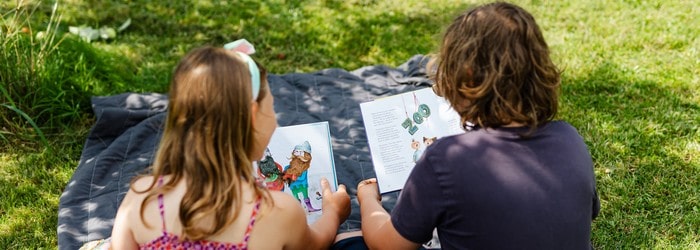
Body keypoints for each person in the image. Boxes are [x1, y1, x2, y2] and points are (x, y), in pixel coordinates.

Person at [357, 2, 600, 249]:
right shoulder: (571, 139)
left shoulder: (445, 159)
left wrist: (368, 201)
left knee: (348, 241)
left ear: (466, 77)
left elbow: (386, 244)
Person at [111, 43, 351, 249]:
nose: (276, 118)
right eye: (272, 107)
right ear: (253, 115)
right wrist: (333, 211)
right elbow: (316, 243)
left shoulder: (140, 197)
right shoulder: (278, 212)